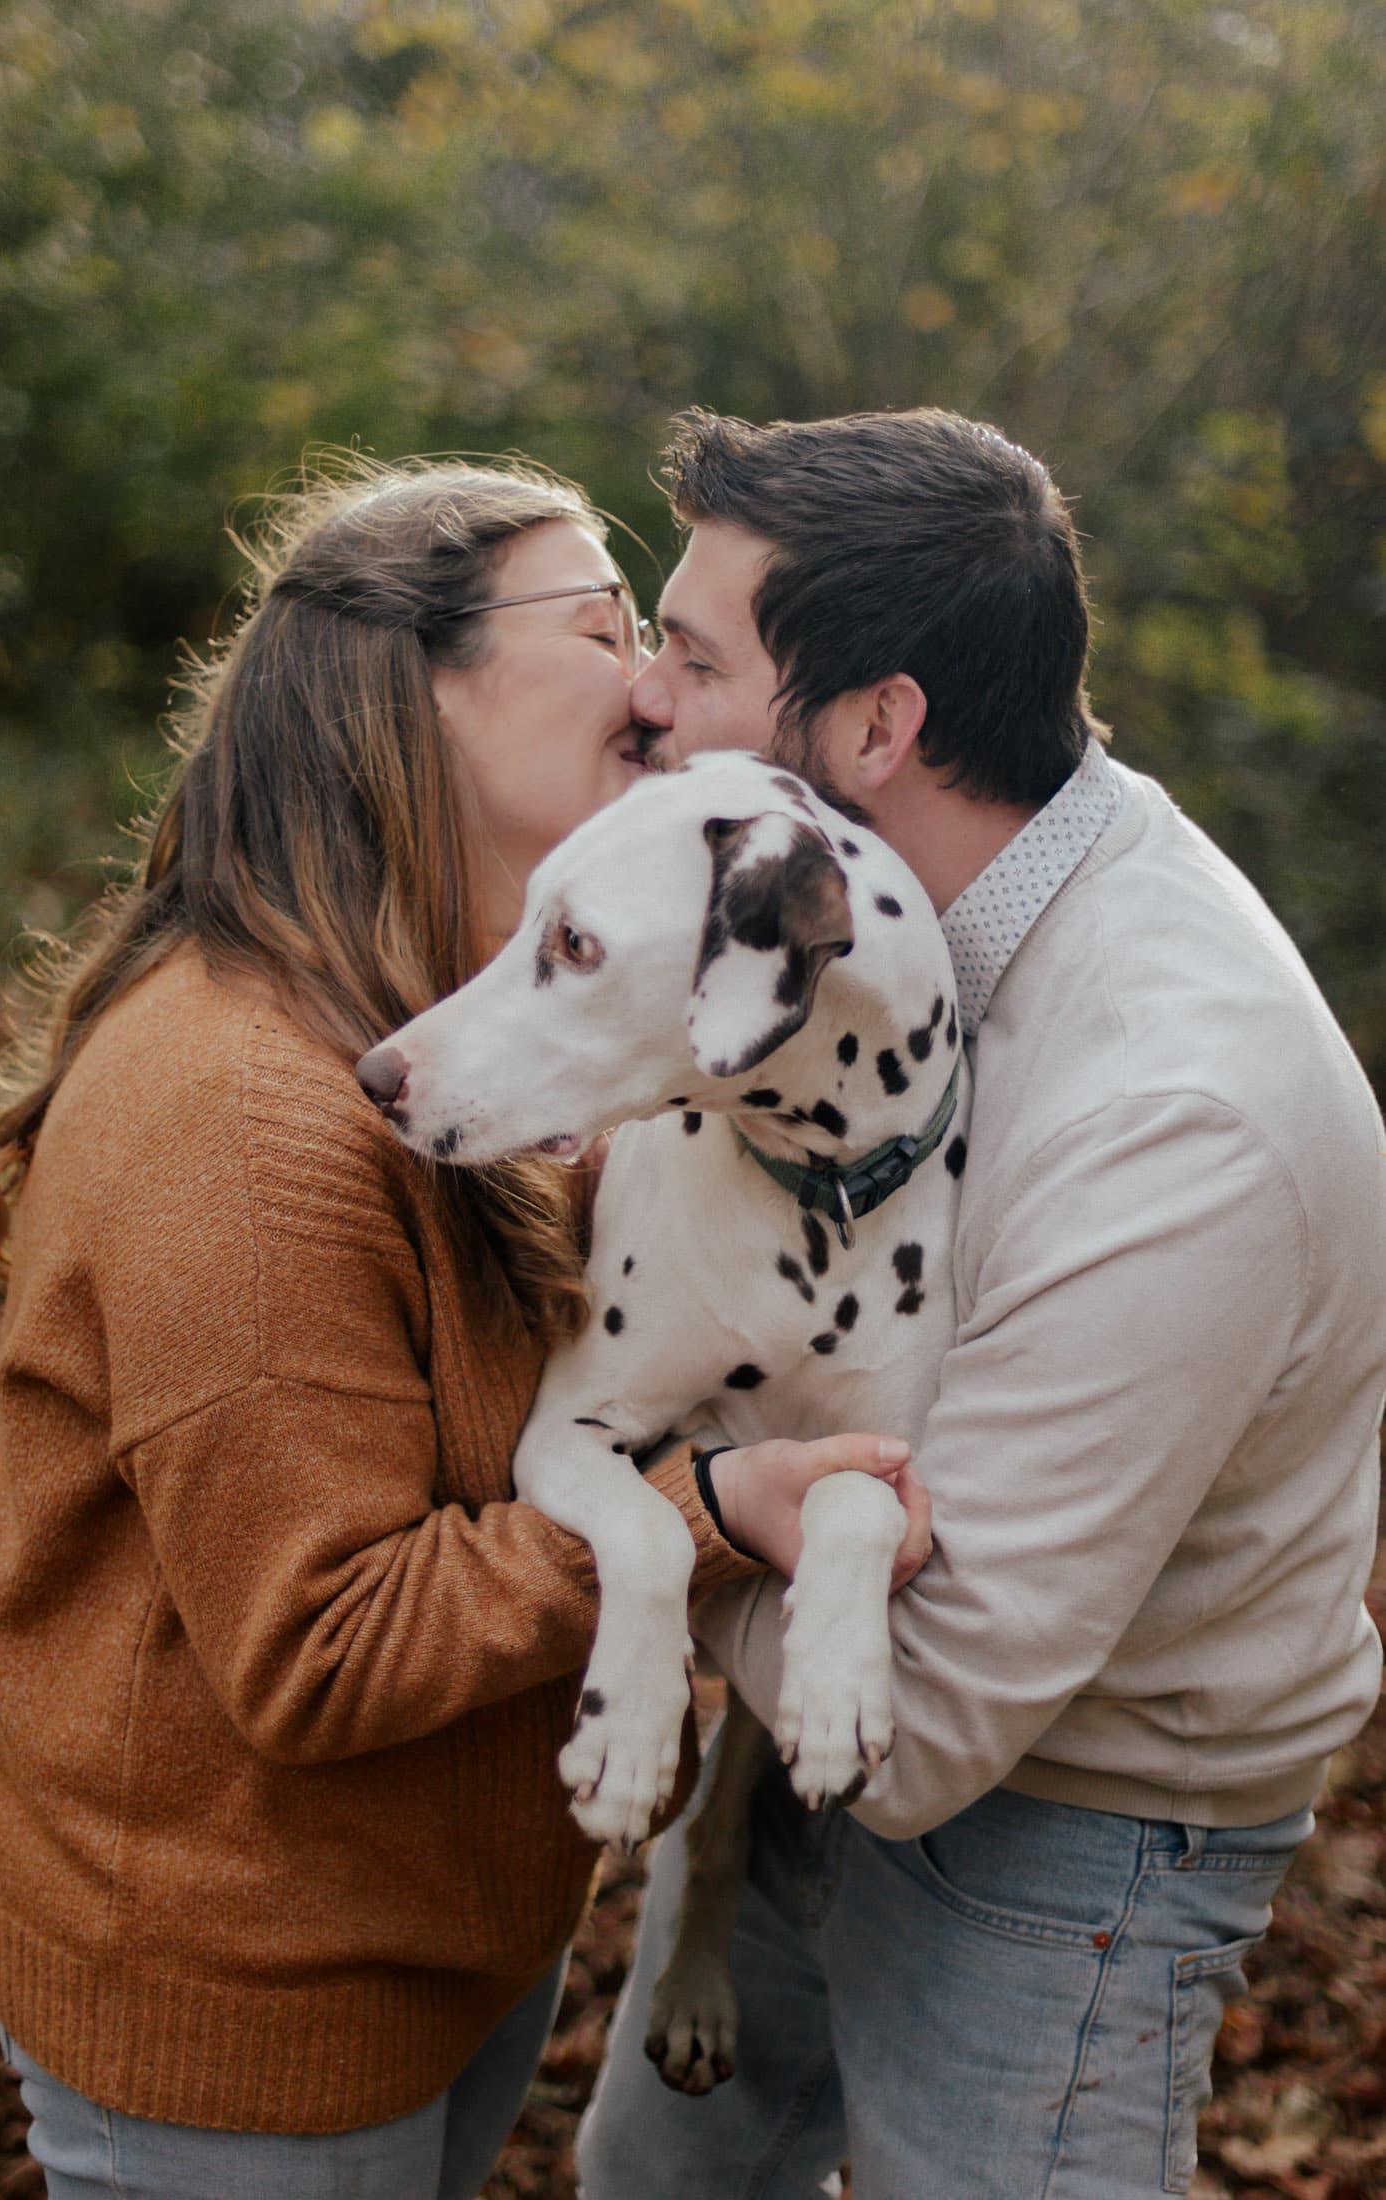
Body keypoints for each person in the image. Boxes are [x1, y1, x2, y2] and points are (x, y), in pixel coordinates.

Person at [0, 454, 925, 2200]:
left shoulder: (446, 1030)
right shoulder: (243, 1116)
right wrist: (708, 1521)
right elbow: (320, 1639)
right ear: (419, 685)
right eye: (607, 625)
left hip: (424, 1950)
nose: (649, 683)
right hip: (243, 2009)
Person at [579, 407, 1386, 2200]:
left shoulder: (1179, 1112)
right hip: (818, 1691)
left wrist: (655, 1516)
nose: (641, 696)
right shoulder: (839, 928)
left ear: (879, 727)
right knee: (662, 2180)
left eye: (693, 659)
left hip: (1065, 1837)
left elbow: (924, 1726)